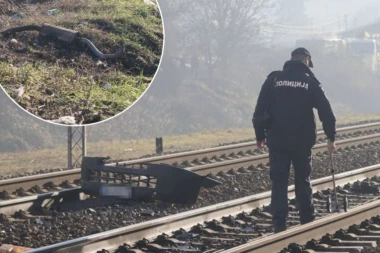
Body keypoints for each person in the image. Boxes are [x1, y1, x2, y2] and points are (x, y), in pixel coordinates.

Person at [252, 47, 337, 233]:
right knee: (303, 180)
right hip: (302, 141)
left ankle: (279, 224)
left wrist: (260, 136)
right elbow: (326, 112)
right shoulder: (310, 82)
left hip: (277, 140)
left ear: (291, 60)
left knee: (279, 181)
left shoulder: (273, 80)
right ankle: (306, 220)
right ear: (307, 60)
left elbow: (259, 110)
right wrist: (331, 137)